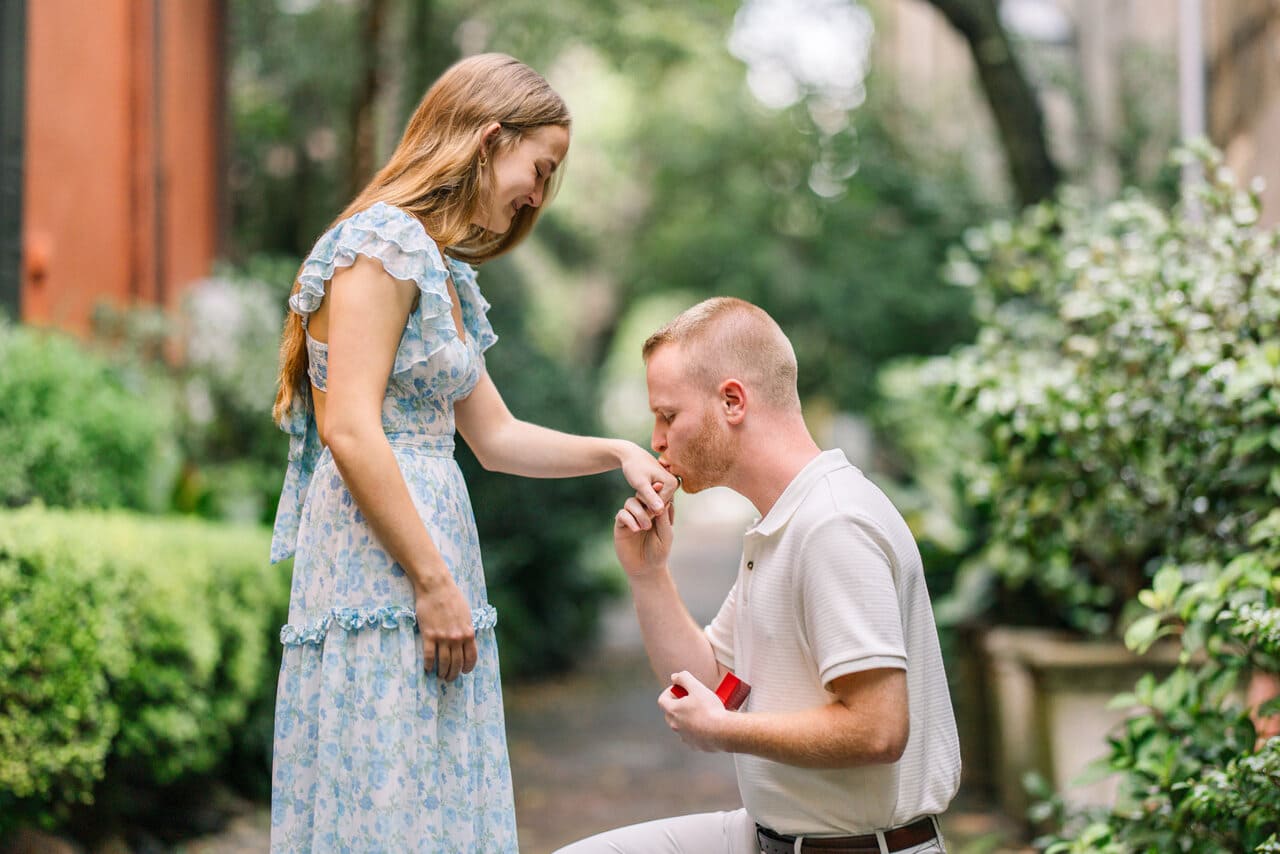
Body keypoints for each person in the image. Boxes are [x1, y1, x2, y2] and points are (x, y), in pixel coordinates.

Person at [267, 53, 676, 853]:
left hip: (430, 557)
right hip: (382, 562)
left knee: (429, 787)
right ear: (489, 138)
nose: (539, 194)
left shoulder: (440, 268)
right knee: (383, 790)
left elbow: (494, 438)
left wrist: (618, 451)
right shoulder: (382, 243)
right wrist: (431, 580)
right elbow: (349, 427)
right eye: (540, 167)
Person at [558, 297, 960, 854]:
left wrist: (725, 732)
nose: (656, 440)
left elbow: (879, 730)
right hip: (765, 836)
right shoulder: (784, 522)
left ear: (732, 401)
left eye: (668, 415)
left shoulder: (832, 523)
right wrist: (648, 575)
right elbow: (712, 681)